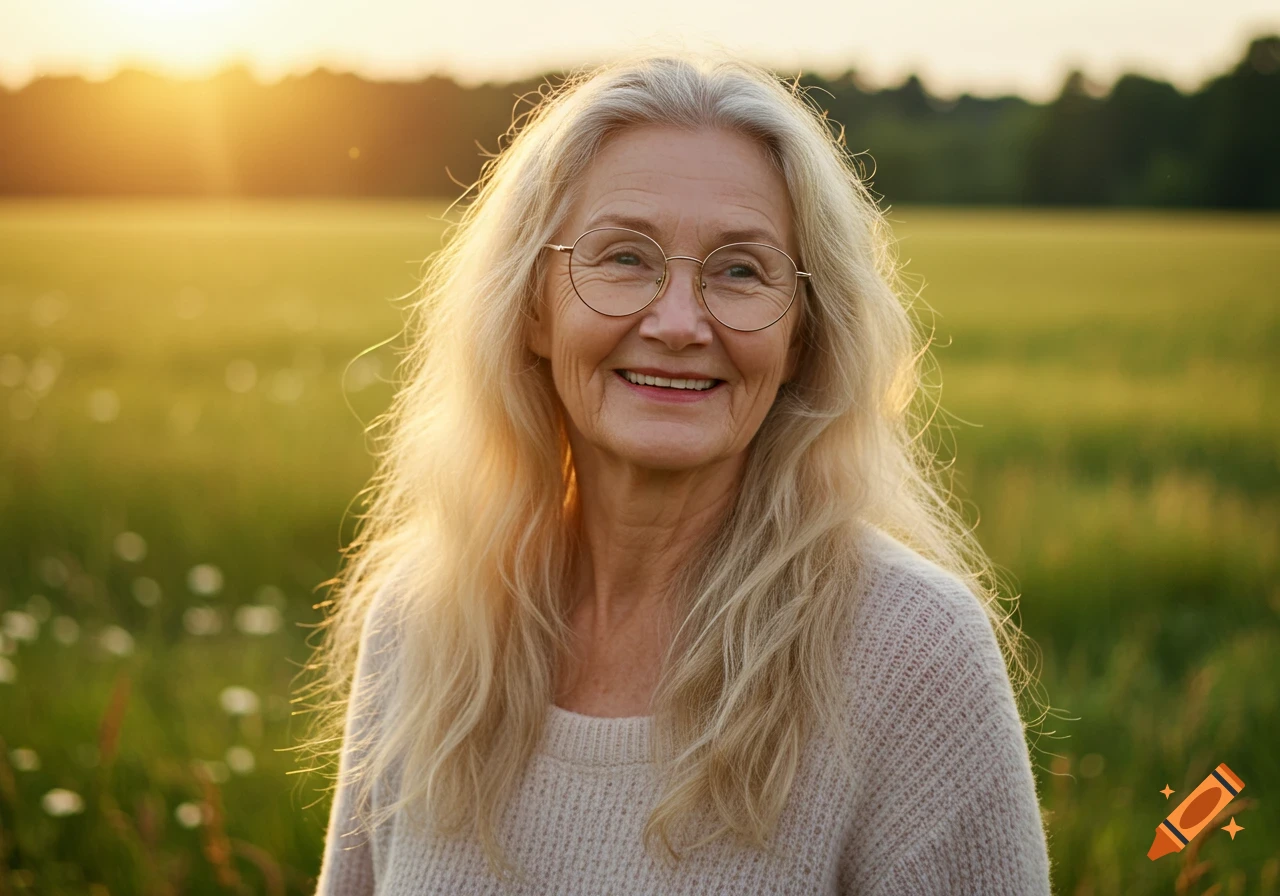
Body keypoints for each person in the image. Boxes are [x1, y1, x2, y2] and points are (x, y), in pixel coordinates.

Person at [306, 49, 1052, 895]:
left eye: (741, 270)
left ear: (803, 336)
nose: (678, 322)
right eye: (624, 257)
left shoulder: (910, 653)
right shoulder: (425, 614)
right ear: (532, 308)